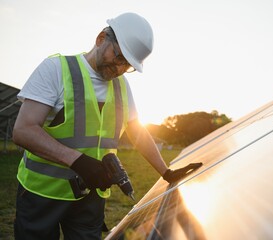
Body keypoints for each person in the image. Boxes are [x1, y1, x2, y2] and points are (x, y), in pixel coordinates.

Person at [12, 12, 202, 240]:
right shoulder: (56, 69)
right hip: (42, 193)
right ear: (101, 38)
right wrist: (78, 161)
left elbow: (137, 132)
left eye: (128, 65)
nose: (120, 68)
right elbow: (24, 130)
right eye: (119, 56)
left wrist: (166, 172)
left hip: (90, 196)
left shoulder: (122, 87)